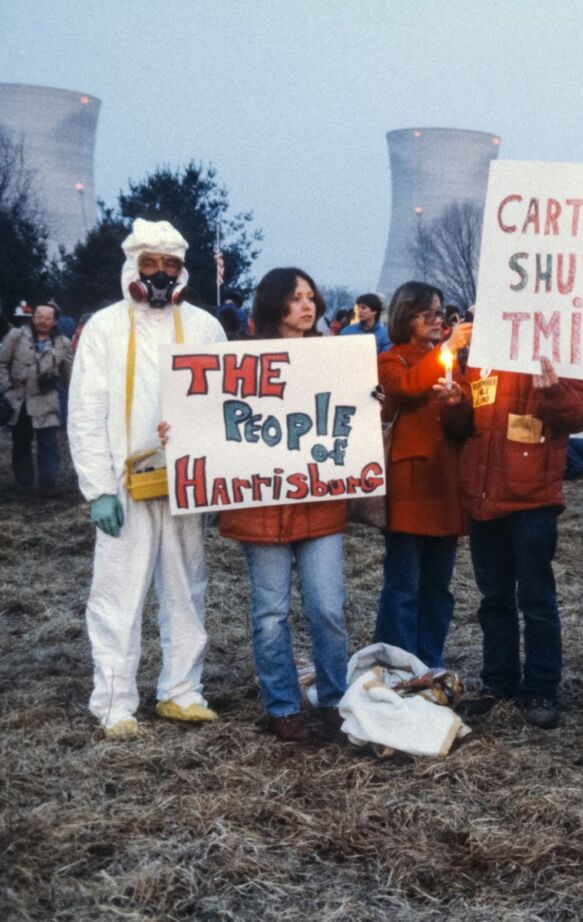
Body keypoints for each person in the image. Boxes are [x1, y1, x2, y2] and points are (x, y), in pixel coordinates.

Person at [67, 219, 226, 738]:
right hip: (124, 482)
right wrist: (98, 489)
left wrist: (221, 476)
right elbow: (86, 411)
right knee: (119, 590)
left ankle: (182, 690)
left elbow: (229, 403)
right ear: (133, 268)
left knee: (188, 587)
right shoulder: (106, 328)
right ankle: (114, 701)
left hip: (187, 481)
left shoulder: (204, 326)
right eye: (151, 265)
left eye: (170, 265)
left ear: (183, 270)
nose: (160, 274)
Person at [213, 269, 352, 743]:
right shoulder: (238, 360)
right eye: (295, 298)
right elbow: (212, 421)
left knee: (327, 608)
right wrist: (183, 430)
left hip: (318, 502)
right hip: (260, 506)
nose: (307, 306)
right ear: (275, 304)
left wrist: (370, 400)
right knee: (270, 614)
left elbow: (350, 418)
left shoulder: (335, 358)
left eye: (311, 297)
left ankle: (336, 700)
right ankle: (282, 706)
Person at [447, 313, 583, 730]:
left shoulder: (562, 347)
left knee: (536, 600)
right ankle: (499, 683)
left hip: (533, 499)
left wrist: (555, 391)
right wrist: (455, 405)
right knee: (493, 599)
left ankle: (541, 688)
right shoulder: (482, 349)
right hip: (483, 497)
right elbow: (466, 423)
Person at [374, 282, 472, 671]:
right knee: (403, 586)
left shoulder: (448, 363)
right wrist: (446, 351)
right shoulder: (390, 359)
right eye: (426, 314)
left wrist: (457, 402)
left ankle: (429, 660)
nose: (436, 320)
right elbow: (407, 388)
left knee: (438, 588)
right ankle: (397, 662)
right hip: (408, 487)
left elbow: (466, 425)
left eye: (439, 312)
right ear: (405, 317)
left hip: (444, 485)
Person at [0, 301, 73, 496]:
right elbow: (2, 364)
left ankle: (48, 485)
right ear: (32, 317)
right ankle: (24, 483)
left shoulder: (63, 343)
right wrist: (7, 387)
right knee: (21, 444)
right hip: (20, 402)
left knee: (48, 445)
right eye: (38, 316)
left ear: (55, 321)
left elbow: (70, 375)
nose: (42, 321)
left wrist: (74, 396)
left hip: (47, 401)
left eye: (48, 317)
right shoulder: (16, 336)